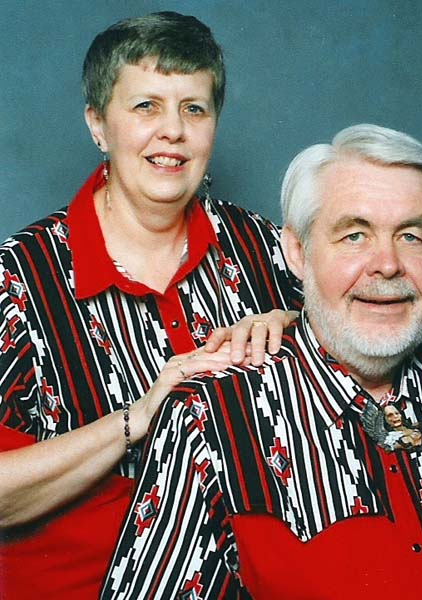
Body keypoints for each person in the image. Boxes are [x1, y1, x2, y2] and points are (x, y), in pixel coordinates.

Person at [102, 124, 422, 599]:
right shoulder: (209, 419)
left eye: (412, 236)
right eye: (354, 236)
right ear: (297, 253)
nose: (388, 265)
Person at [0, 11, 300, 599]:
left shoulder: (267, 249)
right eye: (146, 107)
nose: (173, 132)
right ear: (98, 124)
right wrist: (138, 418)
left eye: (194, 109)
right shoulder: (17, 280)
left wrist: (293, 323)